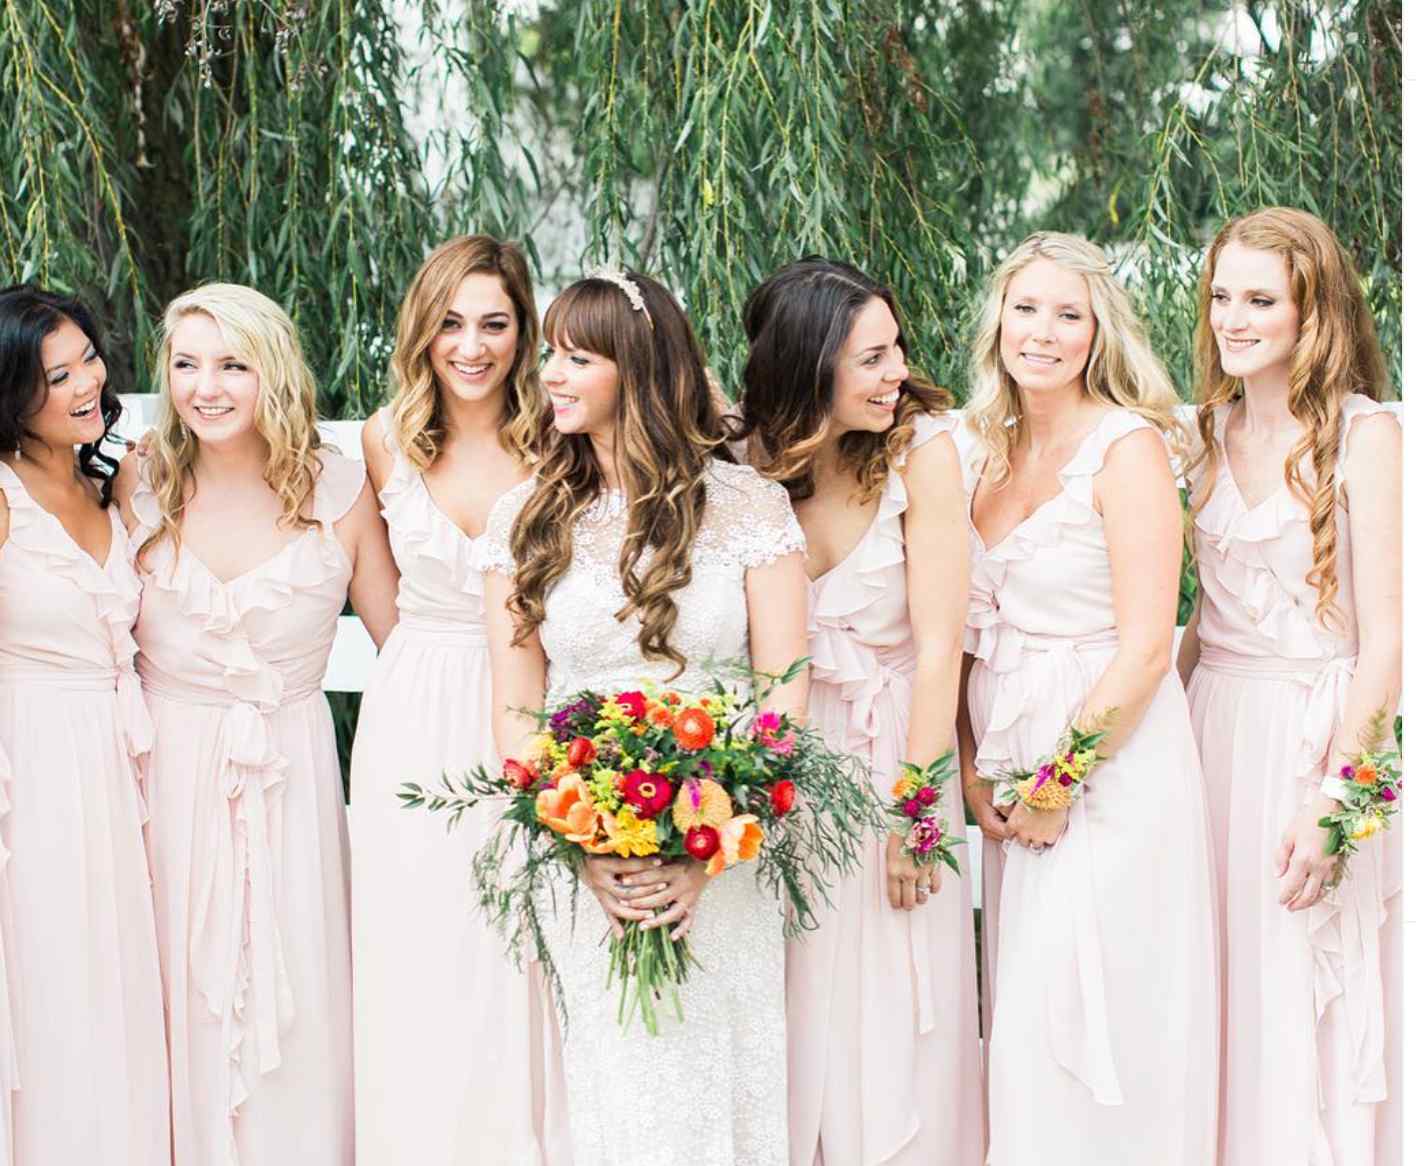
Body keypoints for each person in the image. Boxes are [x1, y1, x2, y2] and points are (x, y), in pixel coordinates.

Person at [481, 269, 808, 1165]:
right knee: (619, 1080)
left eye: (576, 356)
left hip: (724, 855)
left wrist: (719, 841)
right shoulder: (526, 519)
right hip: (584, 859)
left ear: (639, 368)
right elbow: (515, 705)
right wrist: (580, 834)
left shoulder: (748, 509)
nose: (548, 372)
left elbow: (784, 691)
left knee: (722, 1069)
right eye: (550, 351)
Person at [115, 282, 398, 1165]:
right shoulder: (137, 482)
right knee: (169, 994)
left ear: (271, 371)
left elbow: (408, 646)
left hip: (291, 776)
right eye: (187, 363)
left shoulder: (340, 489)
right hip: (166, 782)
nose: (207, 387)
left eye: (232, 364)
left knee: (299, 990)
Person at [956, 232, 1218, 1164]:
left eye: (1069, 314)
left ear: (1098, 330)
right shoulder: (975, 451)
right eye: (1027, 308)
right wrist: (968, 769)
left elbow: (1149, 645)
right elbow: (960, 637)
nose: (1044, 331)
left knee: (1105, 1001)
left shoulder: (1128, 449)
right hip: (1010, 772)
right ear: (998, 319)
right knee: (1026, 1008)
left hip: (1114, 768)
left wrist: (1061, 779)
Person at [733, 258, 984, 1166]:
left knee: (896, 1011)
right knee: (790, 997)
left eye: (896, 350)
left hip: (894, 758)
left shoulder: (925, 455)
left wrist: (915, 815)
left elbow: (939, 650)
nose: (895, 375)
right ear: (809, 367)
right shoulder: (741, 464)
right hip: (783, 761)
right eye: (871, 359)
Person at [1178, 206, 1401, 1165]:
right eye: (1222, 295)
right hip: (1211, 729)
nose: (1233, 318)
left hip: (1319, 731)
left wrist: (1336, 798)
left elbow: (1393, 637)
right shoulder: (1199, 434)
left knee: (1304, 977)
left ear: (1316, 311)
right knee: (1217, 982)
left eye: (1260, 299)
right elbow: (1197, 621)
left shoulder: (1370, 436)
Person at [349, 235, 566, 1164]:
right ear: (422, 330)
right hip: (417, 708)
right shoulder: (385, 436)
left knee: (529, 933)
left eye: (494, 323)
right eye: (450, 323)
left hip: (542, 702)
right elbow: (379, 595)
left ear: (523, 330)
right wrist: (428, 685)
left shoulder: (560, 432)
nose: (471, 346)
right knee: (425, 939)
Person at [0, 285, 169, 1164]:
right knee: (53, 980)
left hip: (119, 768)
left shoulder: (109, 484)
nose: (82, 385)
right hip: (33, 773)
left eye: (87, 361)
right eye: (51, 375)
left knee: (118, 981)